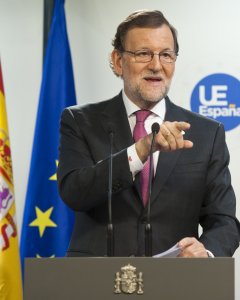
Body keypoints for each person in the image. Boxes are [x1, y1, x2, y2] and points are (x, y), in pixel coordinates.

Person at [57, 10, 240, 257]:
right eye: (143, 53)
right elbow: (74, 193)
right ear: (118, 60)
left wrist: (206, 252)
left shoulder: (208, 133)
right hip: (98, 284)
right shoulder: (80, 121)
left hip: (176, 286)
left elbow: (224, 221)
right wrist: (140, 151)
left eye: (166, 55)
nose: (156, 65)